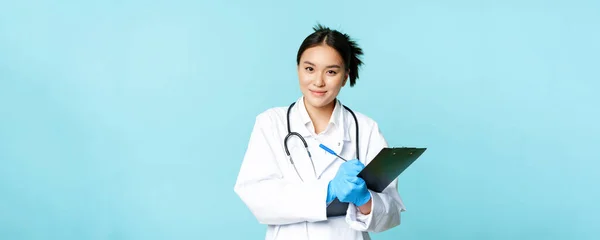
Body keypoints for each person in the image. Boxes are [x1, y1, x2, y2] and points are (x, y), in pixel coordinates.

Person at [234, 24, 406, 240]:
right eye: (309, 69)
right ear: (298, 69)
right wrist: (327, 191)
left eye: (331, 72)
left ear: (345, 76)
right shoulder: (271, 123)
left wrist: (365, 200)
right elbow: (256, 195)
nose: (318, 81)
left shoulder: (365, 128)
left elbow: (390, 215)